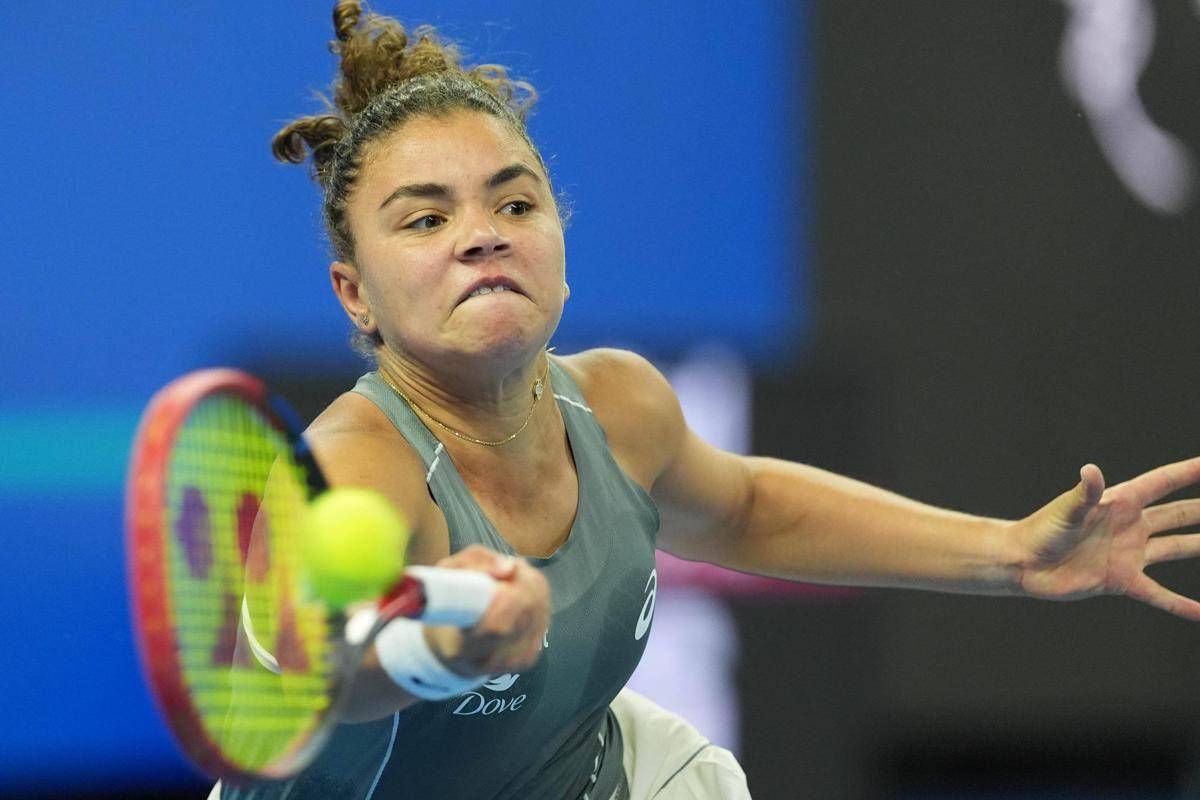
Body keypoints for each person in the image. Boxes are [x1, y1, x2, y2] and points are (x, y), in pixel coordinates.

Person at [215, 2, 1200, 798]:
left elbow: (748, 508)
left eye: (515, 202)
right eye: (426, 219)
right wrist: (440, 646)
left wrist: (1012, 553)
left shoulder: (620, 405)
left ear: (559, 238)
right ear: (355, 294)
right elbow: (311, 675)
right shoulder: (354, 467)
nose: (484, 233)